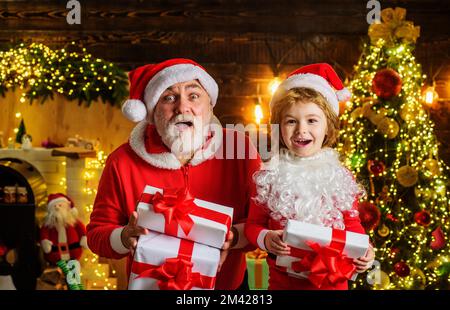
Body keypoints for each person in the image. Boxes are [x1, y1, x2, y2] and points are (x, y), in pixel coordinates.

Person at [86, 58, 261, 290]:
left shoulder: (240, 149)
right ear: (151, 110)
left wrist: (233, 238)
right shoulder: (122, 161)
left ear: (210, 105)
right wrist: (124, 236)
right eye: (169, 98)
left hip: (228, 287)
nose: (182, 107)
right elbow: (97, 234)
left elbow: (261, 221)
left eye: (194, 95)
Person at [245, 63, 375, 290]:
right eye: (291, 121)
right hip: (283, 284)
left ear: (328, 127)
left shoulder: (339, 175)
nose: (301, 130)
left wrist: (365, 248)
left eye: (312, 120)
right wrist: (266, 238)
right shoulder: (269, 176)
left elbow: (352, 223)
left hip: (332, 282)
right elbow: (253, 225)